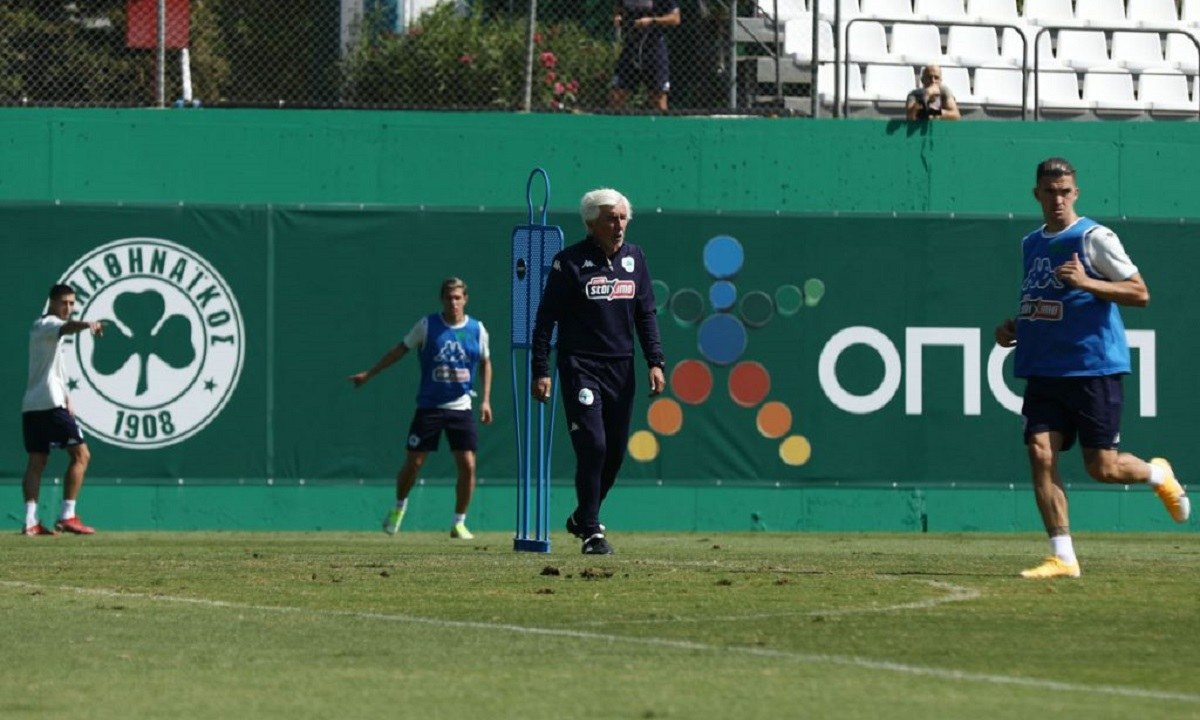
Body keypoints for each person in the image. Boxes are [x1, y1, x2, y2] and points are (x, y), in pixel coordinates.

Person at [994, 157, 1189, 580]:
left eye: (1065, 191)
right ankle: (1063, 557)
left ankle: (1158, 474)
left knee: (1103, 468)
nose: (1058, 199)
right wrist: (1016, 326)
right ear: (1037, 194)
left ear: (1076, 193)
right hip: (1044, 371)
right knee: (1039, 453)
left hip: (1092, 368)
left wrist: (1087, 283)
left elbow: (1140, 292)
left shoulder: (1094, 238)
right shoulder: (1031, 243)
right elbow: (1046, 301)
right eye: (1050, 192)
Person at [530, 188, 666, 555]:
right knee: (594, 445)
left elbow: (645, 314)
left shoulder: (636, 258)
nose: (619, 225)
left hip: (621, 367)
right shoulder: (568, 262)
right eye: (610, 219)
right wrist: (541, 369)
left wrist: (655, 361)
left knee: (615, 453)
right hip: (580, 365)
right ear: (591, 224)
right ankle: (591, 531)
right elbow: (546, 319)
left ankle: (582, 516)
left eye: (623, 218)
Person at [350, 277, 493, 540]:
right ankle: (399, 507)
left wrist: (485, 400)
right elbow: (399, 350)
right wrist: (369, 373)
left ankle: (459, 522)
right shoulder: (427, 326)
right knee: (414, 463)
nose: (453, 302)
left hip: (461, 408)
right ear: (442, 299)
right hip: (430, 407)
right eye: (449, 298)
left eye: (458, 297)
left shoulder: (477, 329)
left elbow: (485, 363)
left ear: (465, 299)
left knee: (468, 465)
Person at [21, 283, 104, 536]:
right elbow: (67, 327)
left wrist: (67, 397)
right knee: (82, 455)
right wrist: (87, 324)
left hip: (32, 406)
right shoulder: (47, 324)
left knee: (37, 461)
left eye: (71, 303)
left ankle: (30, 522)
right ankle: (67, 515)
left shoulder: (43, 330)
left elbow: (55, 371)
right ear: (52, 302)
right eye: (63, 302)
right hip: (50, 405)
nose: (68, 307)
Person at [610, 0, 681, 112]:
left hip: (654, 48)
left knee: (658, 98)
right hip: (631, 47)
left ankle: (662, 122)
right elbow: (618, 8)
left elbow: (675, 18)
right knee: (617, 96)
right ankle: (615, 122)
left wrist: (652, 21)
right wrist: (617, 17)